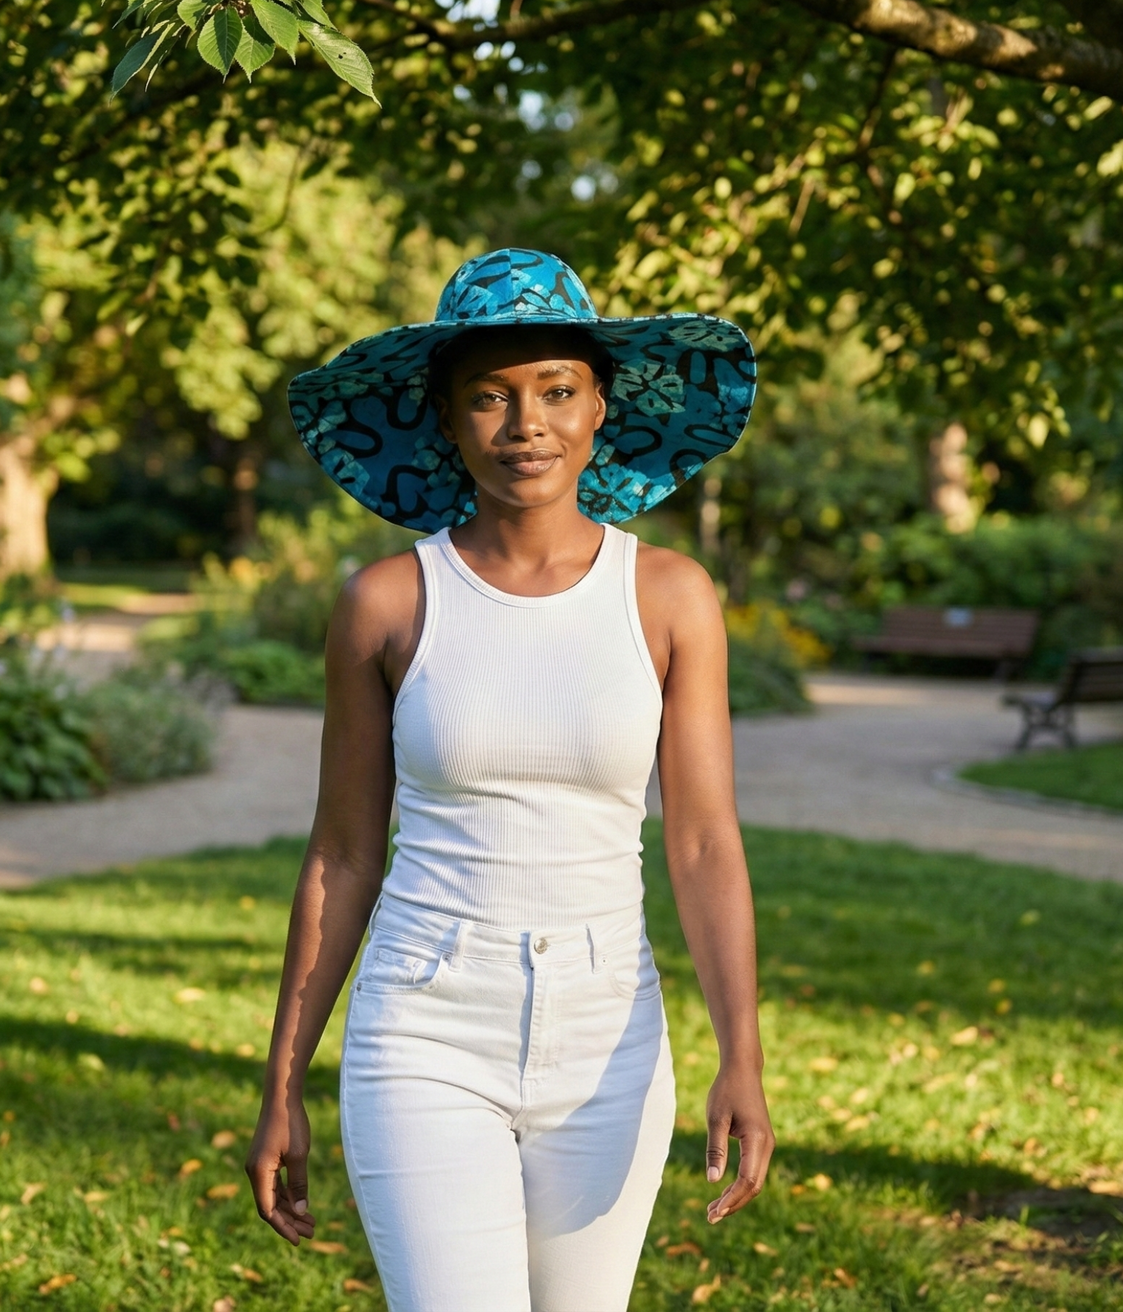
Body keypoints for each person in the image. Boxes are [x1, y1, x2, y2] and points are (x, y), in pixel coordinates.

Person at [245, 248, 773, 1312]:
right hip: (424, 1023)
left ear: (599, 406)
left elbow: (703, 841)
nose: (526, 424)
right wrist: (282, 1081)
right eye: (489, 395)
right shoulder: (386, 603)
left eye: (555, 389)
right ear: (445, 418)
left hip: (606, 1028)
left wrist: (741, 1057)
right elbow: (342, 852)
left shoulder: (669, 596)